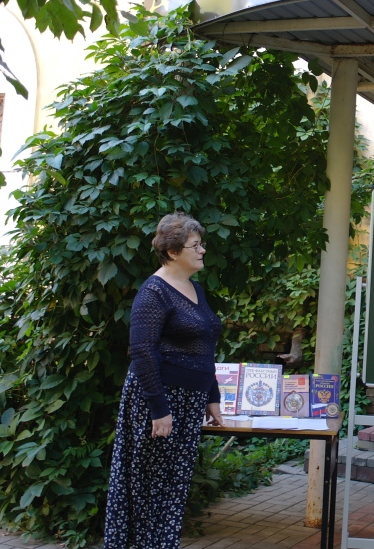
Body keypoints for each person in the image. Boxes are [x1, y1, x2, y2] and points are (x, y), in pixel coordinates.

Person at [103, 213, 224, 548]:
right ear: (173, 252)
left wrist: (211, 396)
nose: (202, 251)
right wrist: (159, 409)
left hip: (189, 402)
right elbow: (142, 351)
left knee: (172, 491)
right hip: (159, 403)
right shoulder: (154, 292)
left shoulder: (195, 289)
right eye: (195, 245)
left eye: (201, 244)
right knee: (149, 492)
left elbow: (205, 347)